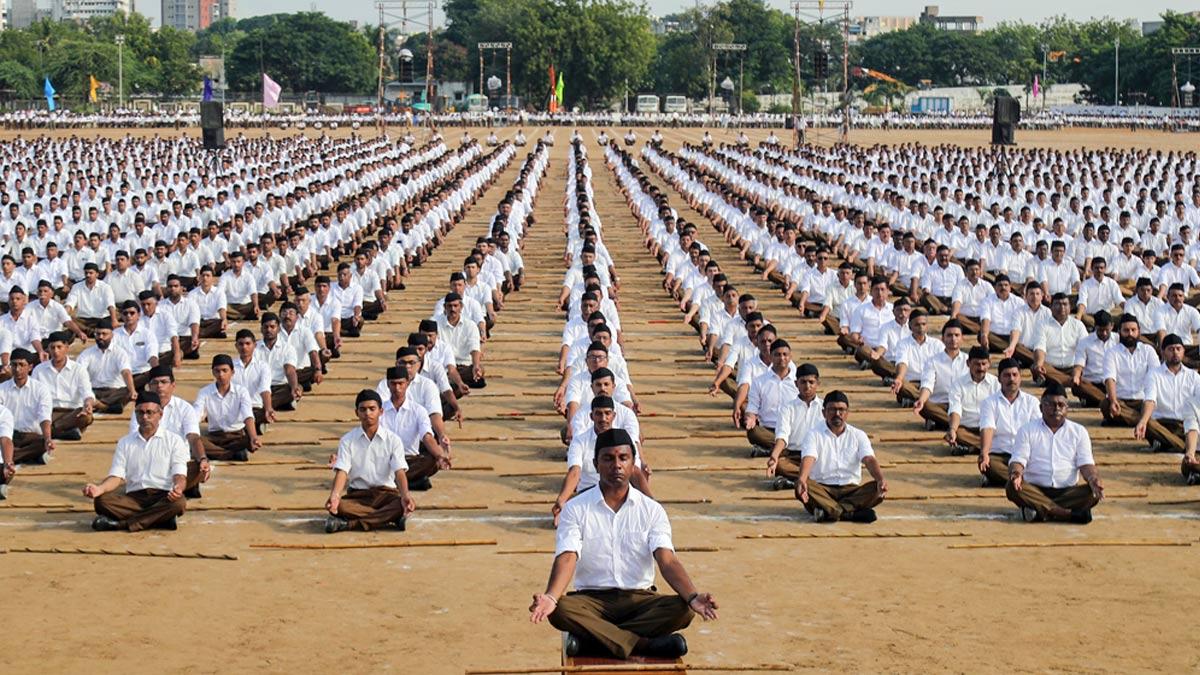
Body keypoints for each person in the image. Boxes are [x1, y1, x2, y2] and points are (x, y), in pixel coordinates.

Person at [530, 428, 718, 660]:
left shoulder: (652, 510)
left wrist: (692, 596)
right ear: (596, 463)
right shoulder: (575, 508)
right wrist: (550, 596)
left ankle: (596, 641)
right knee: (560, 609)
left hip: (640, 600)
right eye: (608, 458)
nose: (616, 465)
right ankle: (641, 643)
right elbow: (568, 556)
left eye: (623, 458)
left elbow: (667, 560)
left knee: (683, 610)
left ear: (632, 463)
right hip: (591, 601)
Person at [82, 391, 189, 532]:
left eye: (149, 412)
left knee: (179, 503)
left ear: (160, 414)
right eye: (140, 413)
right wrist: (99, 489)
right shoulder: (125, 442)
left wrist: (178, 488)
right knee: (101, 501)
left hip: (162, 496)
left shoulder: (174, 440)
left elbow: (180, 474)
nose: (145, 417)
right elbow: (117, 476)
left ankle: (122, 524)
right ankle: (159, 519)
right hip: (134, 498)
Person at [1007, 382, 1104, 524]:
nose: (1056, 409)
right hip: (1036, 490)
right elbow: (1018, 460)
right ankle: (1065, 514)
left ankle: (1040, 511)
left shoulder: (1079, 431)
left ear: (1067, 408)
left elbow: (1086, 464)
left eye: (1061, 405)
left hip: (1067, 492)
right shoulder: (1027, 430)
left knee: (1092, 493)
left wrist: (1093, 479)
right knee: (1012, 487)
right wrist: (1016, 474)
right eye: (1051, 404)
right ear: (1041, 407)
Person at [324, 389, 415, 533]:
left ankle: (349, 525)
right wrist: (334, 496)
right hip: (359, 495)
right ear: (356, 413)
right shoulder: (347, 440)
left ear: (381, 411)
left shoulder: (393, 440)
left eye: (372, 409)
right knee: (340, 507)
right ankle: (388, 518)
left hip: (386, 494)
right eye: (363, 409)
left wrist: (405, 495)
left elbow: (399, 472)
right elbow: (342, 471)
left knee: (400, 505)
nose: (367, 414)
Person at [794, 390, 887, 523]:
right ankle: (849, 514)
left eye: (841, 410)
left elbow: (869, 459)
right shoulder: (813, 434)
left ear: (847, 413)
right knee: (802, 485)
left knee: (876, 489)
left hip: (851, 490)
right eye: (832, 409)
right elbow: (809, 457)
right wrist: (802, 479)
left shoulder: (858, 435)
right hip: (822, 489)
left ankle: (831, 512)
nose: (837, 414)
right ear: (824, 412)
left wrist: (881, 479)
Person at [381, 366, 451, 491]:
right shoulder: (380, 411)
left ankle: (396, 482)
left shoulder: (418, 411)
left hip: (410, 460)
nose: (397, 388)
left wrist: (440, 455)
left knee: (431, 461)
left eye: (401, 383)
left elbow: (427, 437)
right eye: (393, 384)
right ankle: (407, 482)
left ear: (407, 383)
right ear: (387, 384)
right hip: (386, 460)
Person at [977, 358, 1039, 487]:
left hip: (1024, 455)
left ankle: (1009, 479)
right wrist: (984, 453)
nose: (1011, 379)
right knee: (987, 464)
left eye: (1015, 375)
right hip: (999, 455)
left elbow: (1038, 431)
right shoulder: (989, 402)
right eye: (1007, 375)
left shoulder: (1032, 402)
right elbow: (988, 428)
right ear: (999, 379)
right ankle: (1021, 480)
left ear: (1020, 378)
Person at [1134, 334, 1199, 452]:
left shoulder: (1193, 376)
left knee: (1193, 428)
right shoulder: (1154, 374)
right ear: (1163, 352)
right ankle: (1185, 448)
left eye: (1178, 349)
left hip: (1184, 424)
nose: (1175, 352)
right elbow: (1150, 400)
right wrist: (1143, 421)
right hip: (1162, 424)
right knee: (1147, 423)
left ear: (1183, 351)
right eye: (1171, 349)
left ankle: (1171, 444)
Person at [765, 364, 823, 490]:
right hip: (794, 456)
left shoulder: (825, 408)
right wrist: (774, 456)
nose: (807, 386)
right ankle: (809, 480)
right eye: (803, 382)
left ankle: (794, 481)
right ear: (796, 384)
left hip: (817, 457)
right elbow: (782, 435)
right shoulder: (787, 408)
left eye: (811, 382)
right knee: (780, 465)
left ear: (818, 383)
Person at [193, 354, 261, 460]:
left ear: (232, 372)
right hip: (215, 436)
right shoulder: (204, 392)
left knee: (247, 440)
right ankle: (230, 455)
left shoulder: (241, 391)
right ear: (213, 372)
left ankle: (219, 453)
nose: (221, 375)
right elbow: (197, 413)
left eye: (225, 370)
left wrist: (254, 437)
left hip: (236, 436)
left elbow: (247, 415)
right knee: (196, 441)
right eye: (217, 371)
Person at [31, 331, 96, 441]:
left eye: (59, 347)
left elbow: (87, 392)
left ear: (66, 347)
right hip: (49, 412)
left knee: (86, 417)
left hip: (71, 412)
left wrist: (88, 404)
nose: (56, 351)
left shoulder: (78, 369)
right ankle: (62, 432)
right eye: (53, 347)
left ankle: (51, 431)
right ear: (48, 349)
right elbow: (33, 395)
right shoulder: (39, 370)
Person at [1103, 314, 1160, 426]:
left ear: (1139, 331)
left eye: (1133, 330)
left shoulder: (1148, 351)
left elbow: (1156, 377)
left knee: (1154, 405)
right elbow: (1110, 378)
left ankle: (1131, 419)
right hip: (1121, 401)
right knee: (1105, 404)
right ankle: (1145, 421)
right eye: (1126, 330)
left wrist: (1150, 401)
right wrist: (1114, 400)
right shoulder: (1111, 353)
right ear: (1119, 331)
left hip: (1143, 400)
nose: (1130, 334)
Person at [743, 339, 797, 453]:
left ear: (790, 356)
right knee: (753, 432)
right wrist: (750, 418)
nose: (782, 358)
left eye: (785, 354)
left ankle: (772, 450)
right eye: (777, 355)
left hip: (792, 429)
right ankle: (784, 450)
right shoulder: (759, 382)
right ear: (771, 357)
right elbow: (752, 407)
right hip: (769, 430)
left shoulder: (797, 382)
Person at [0, 349, 53, 465]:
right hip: (7, 435)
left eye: (21, 365)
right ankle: (23, 456)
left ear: (30, 367)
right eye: (14, 365)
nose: (17, 369)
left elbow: (44, 416)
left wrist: (48, 438)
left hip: (29, 436)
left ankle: (10, 457)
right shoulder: (2, 389)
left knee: (43, 443)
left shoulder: (40, 389)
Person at [946, 346, 1000, 455]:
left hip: (990, 429)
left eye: (984, 364)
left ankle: (973, 448)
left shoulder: (996, 384)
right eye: (976, 364)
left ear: (989, 363)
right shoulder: (958, 384)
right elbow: (955, 409)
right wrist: (952, 429)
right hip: (967, 429)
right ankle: (988, 448)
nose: (980, 368)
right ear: (968, 363)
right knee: (958, 434)